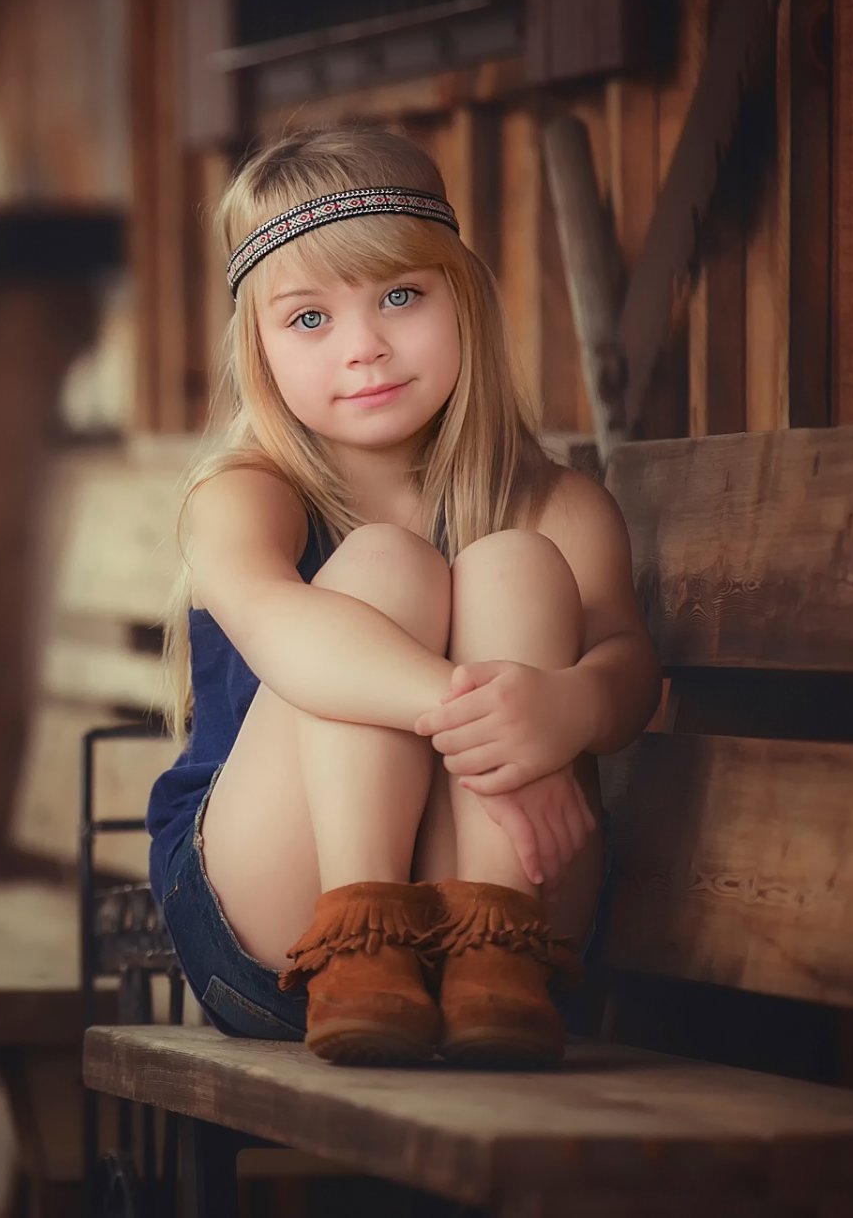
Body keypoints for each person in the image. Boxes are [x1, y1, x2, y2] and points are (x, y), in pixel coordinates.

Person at [144, 123, 662, 1068]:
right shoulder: (244, 496)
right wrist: (490, 719)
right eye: (310, 319)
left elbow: (630, 674)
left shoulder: (558, 505)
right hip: (277, 922)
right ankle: (363, 941)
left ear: (461, 296)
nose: (365, 348)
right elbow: (288, 635)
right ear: (256, 346)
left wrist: (566, 707)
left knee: (517, 567)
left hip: (518, 918)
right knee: (381, 570)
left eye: (399, 296)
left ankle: (492, 947)